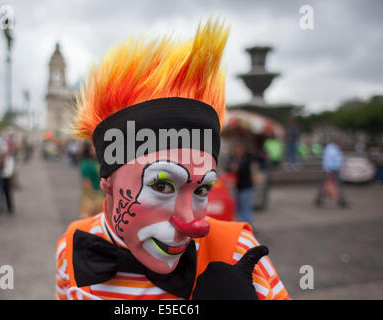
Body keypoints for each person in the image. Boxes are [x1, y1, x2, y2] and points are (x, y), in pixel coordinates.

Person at [55, 20, 290, 300]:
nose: (193, 223)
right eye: (163, 185)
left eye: (202, 189)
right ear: (107, 181)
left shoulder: (239, 251)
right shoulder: (72, 246)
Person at [226, 143, 257, 226]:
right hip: (237, 187)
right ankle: (242, 225)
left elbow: (245, 171)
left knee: (245, 208)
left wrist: (237, 169)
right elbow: (228, 169)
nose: (237, 151)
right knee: (238, 209)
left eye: (239, 148)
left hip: (246, 187)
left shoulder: (246, 158)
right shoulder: (232, 158)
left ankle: (248, 225)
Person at [315, 139, 348, 208]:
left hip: (333, 169)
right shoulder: (331, 149)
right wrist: (328, 170)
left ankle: (319, 199)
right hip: (332, 170)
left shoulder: (334, 148)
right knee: (337, 186)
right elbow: (328, 160)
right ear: (337, 143)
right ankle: (341, 201)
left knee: (325, 185)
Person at [79, 140, 104, 219]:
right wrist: (94, 195)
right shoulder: (86, 164)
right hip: (93, 198)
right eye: (92, 148)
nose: (94, 150)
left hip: (103, 198)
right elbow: (86, 182)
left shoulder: (101, 163)